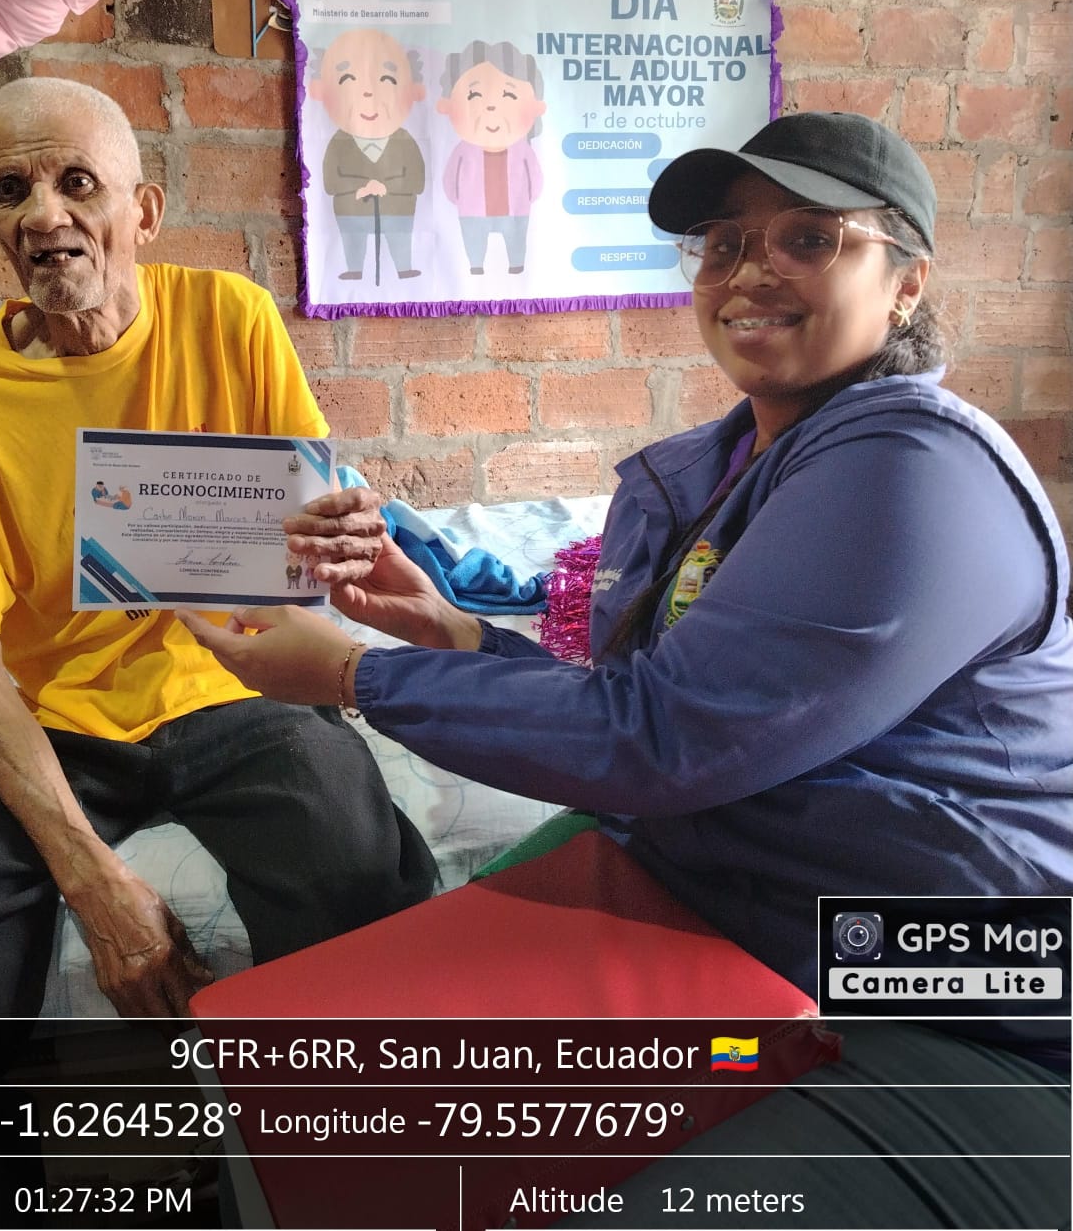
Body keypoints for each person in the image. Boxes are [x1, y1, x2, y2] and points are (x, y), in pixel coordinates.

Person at [181, 110, 1073, 1003]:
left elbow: (666, 739)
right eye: (723, 244)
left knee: (400, 1065)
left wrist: (351, 675)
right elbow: (642, 704)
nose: (749, 272)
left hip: (941, 962)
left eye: (809, 239)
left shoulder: (913, 466)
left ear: (906, 284)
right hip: (729, 878)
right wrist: (452, 631)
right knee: (327, 1028)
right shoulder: (705, 473)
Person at [0, 77, 435, 1031]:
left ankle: (315, 1127)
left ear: (145, 212)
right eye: (13, 192)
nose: (45, 216)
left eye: (77, 182)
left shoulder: (233, 318)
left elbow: (305, 538)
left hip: (240, 686)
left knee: (361, 893)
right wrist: (93, 881)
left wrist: (341, 536)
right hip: (58, 720)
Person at [308, 28, 427, 282]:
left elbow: (417, 180)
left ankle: (403, 268)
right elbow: (330, 182)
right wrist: (360, 188)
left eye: (387, 80)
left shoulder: (405, 140)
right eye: (347, 79)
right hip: (351, 212)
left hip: (399, 210)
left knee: (400, 237)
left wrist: (386, 186)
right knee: (353, 238)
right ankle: (355, 269)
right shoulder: (338, 142)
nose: (368, 93)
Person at [437, 39, 546, 277]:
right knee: (474, 240)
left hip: (514, 209)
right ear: (448, 105)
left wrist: (530, 196)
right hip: (473, 210)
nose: (491, 107)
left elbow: (535, 179)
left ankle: (516, 265)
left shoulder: (522, 149)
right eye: (475, 94)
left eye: (509, 94)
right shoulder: (464, 150)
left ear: (535, 107)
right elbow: (451, 179)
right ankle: (476, 265)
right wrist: (457, 198)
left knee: (516, 240)